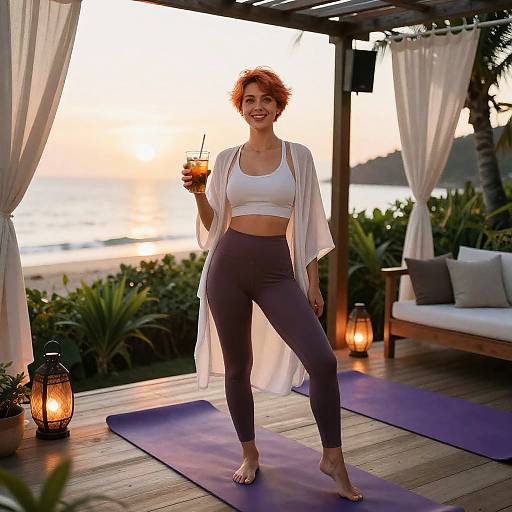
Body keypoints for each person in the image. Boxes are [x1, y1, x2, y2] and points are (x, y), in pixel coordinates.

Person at [181, 67, 363, 502]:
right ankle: (249, 452)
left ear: (279, 106)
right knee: (237, 366)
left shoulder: (297, 156)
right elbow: (213, 225)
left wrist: (313, 284)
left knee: (322, 362)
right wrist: (197, 194)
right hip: (229, 267)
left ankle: (332, 456)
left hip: (277, 271)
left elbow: (307, 225)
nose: (257, 107)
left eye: (265, 99)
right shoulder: (225, 159)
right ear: (240, 108)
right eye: (249, 100)